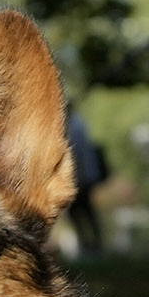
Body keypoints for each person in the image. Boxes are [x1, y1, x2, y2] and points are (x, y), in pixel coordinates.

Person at [65, 105, 106, 254]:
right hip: (81, 178)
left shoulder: (73, 127)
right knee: (85, 212)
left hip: (79, 179)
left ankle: (91, 243)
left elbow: (78, 154)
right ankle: (91, 242)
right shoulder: (78, 125)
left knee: (82, 212)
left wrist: (78, 178)